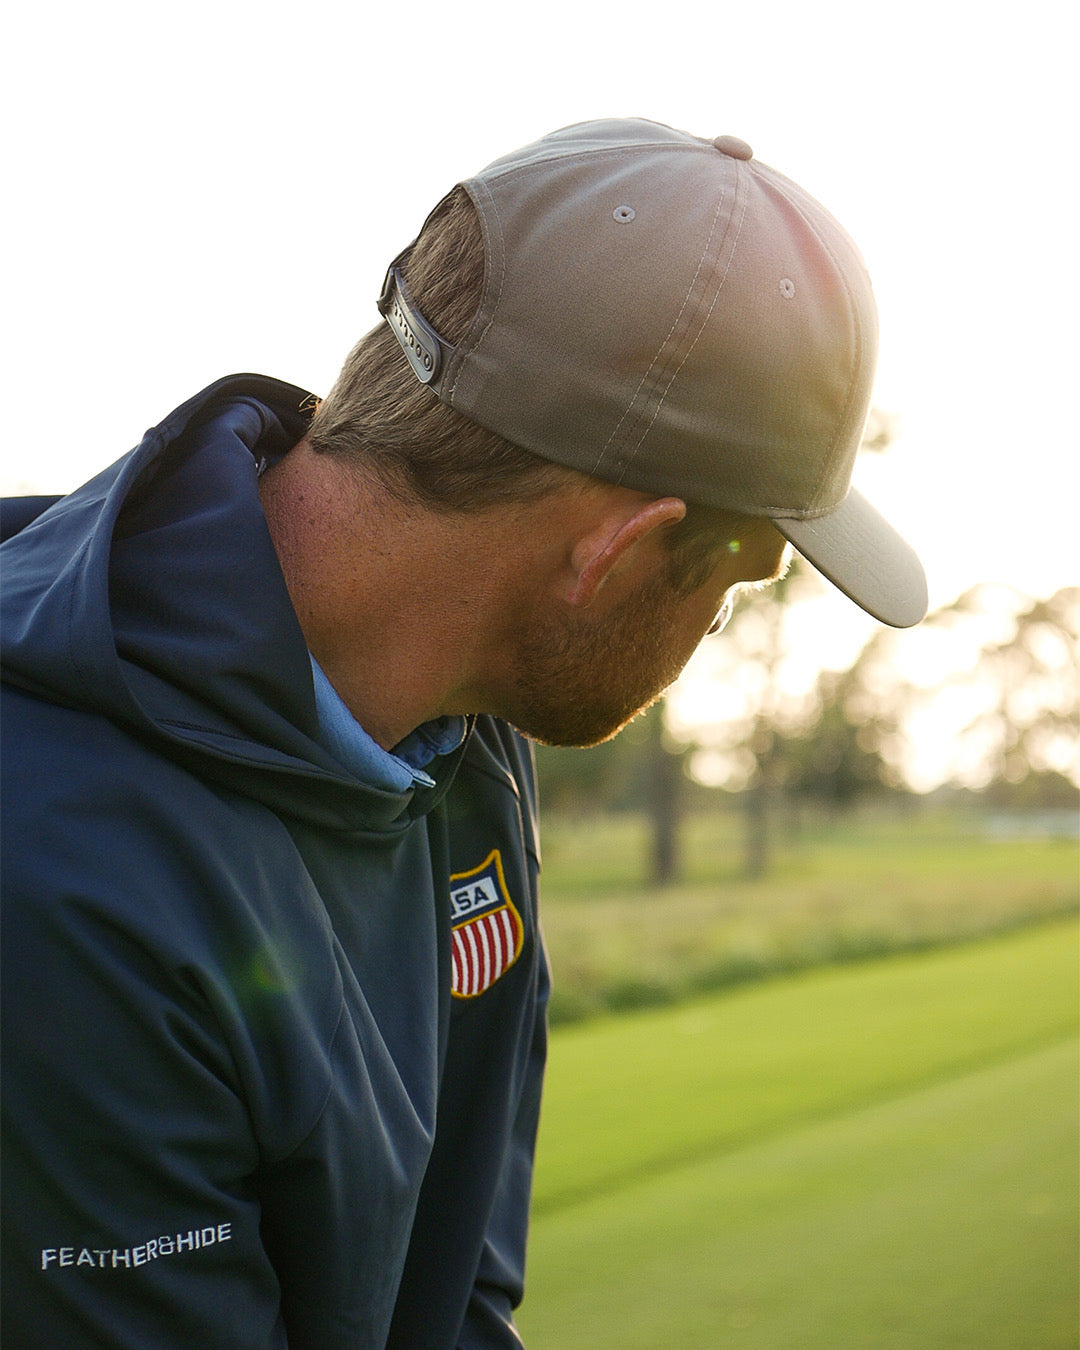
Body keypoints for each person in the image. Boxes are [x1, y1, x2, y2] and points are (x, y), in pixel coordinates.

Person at [0, 118, 926, 1348]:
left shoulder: (469, 729)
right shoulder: (54, 881)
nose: (712, 629)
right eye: (738, 580)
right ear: (615, 554)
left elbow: (456, 1291)